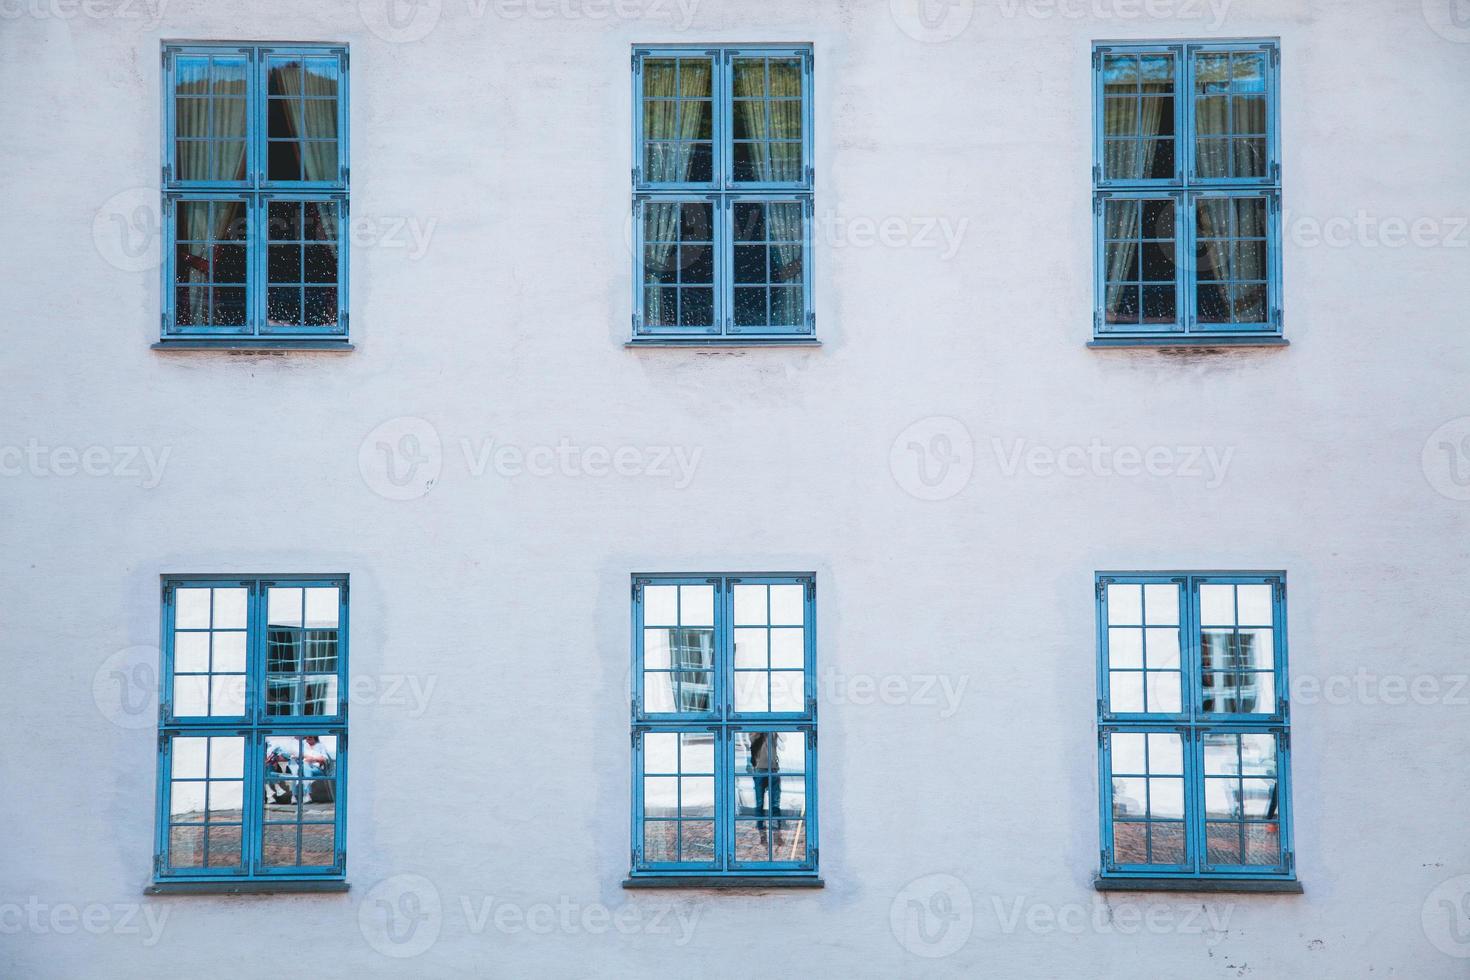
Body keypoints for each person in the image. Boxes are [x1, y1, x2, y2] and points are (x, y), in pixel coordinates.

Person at [748, 732, 782, 844]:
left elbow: (781, 741)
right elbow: (753, 740)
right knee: (759, 803)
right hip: (760, 770)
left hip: (773, 769)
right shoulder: (755, 731)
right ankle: (761, 830)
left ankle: (776, 829)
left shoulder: (773, 733)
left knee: (775, 803)